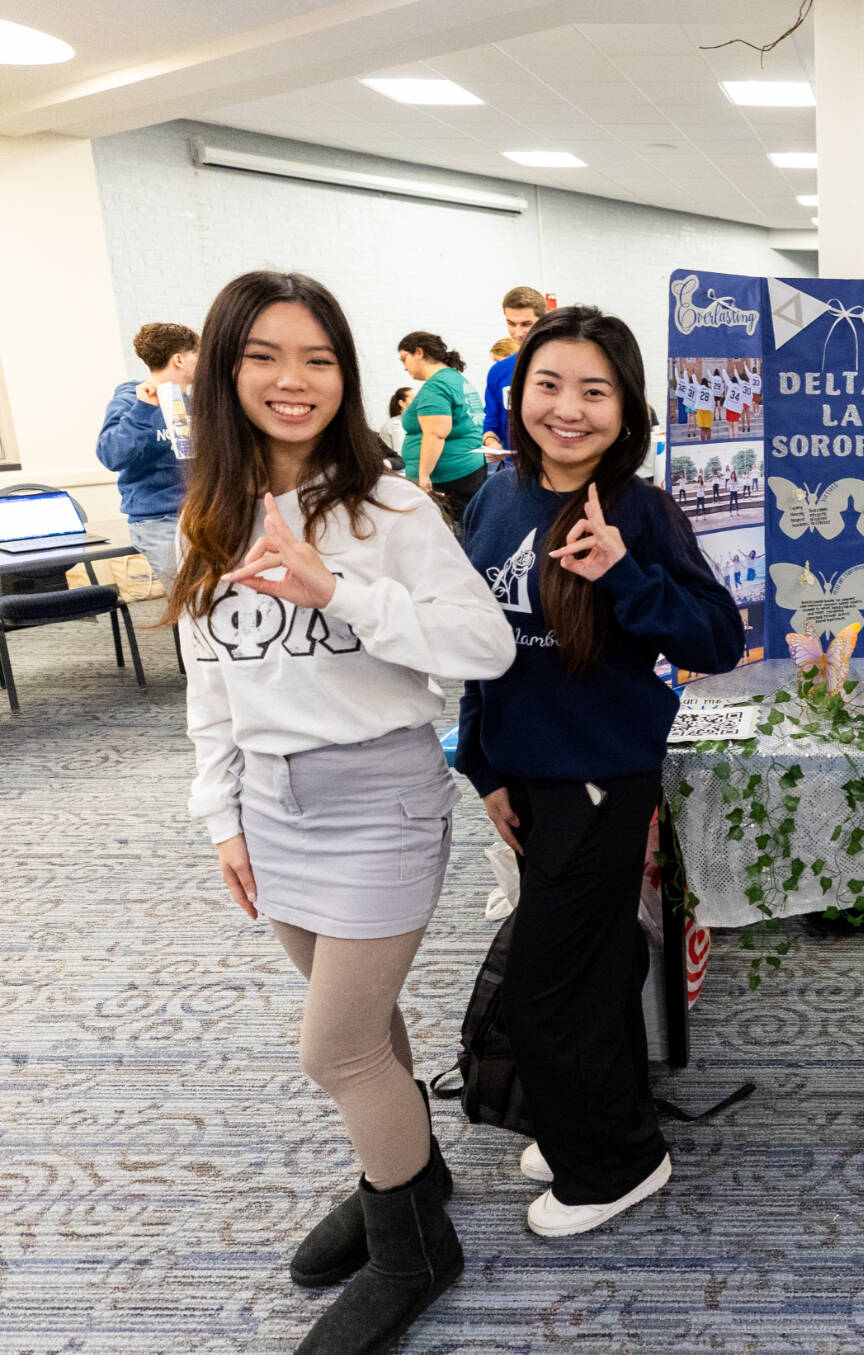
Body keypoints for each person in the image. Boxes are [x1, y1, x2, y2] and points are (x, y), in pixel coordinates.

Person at [168, 271, 514, 1355]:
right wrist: (220, 813)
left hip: (380, 794)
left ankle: (413, 1247)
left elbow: (484, 648)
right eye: (265, 355)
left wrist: (339, 592)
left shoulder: (390, 505)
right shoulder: (212, 511)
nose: (293, 379)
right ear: (228, 370)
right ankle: (406, 1182)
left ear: (348, 374)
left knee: (336, 1050)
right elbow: (209, 680)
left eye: (318, 358)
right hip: (273, 803)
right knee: (364, 1024)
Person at [456, 305, 743, 1239]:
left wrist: (624, 573)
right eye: (549, 385)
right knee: (588, 971)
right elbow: (479, 644)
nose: (568, 409)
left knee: (542, 987)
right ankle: (611, 1123)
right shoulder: (495, 498)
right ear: (517, 392)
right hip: (528, 775)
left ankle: (614, 1164)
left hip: (601, 779)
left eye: (594, 390)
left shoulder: (639, 507)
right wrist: (482, 763)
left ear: (627, 409)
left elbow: (719, 638)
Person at [95, 322, 198, 586]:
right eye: (198, 354)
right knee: (191, 604)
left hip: (203, 516)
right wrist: (143, 409)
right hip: (160, 522)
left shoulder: (197, 404)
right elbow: (111, 455)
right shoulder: (130, 400)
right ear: (179, 359)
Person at [396, 331, 488, 527]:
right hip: (468, 468)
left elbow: (436, 433)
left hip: (449, 477)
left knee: (453, 536)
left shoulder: (436, 386)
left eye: (405, 359)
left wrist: (423, 475)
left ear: (419, 352)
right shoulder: (457, 379)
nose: (404, 367)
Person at [482, 285, 546, 454]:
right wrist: (492, 441)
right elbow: (491, 420)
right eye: (511, 323)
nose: (518, 332)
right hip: (515, 465)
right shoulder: (499, 371)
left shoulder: (562, 363)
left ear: (543, 320)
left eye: (526, 324)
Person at [379, 387, 412, 471]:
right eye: (415, 398)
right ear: (402, 403)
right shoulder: (393, 426)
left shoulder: (417, 423)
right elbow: (401, 456)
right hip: (401, 472)